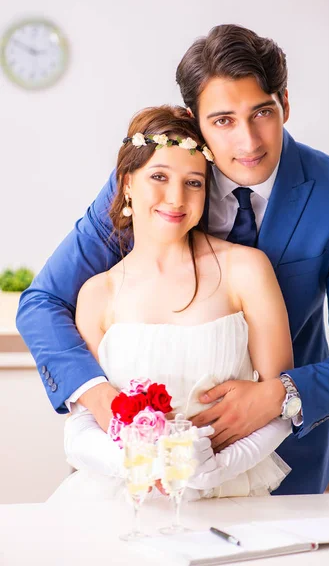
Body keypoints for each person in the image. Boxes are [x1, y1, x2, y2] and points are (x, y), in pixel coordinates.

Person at [17, 24, 329, 496]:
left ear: (286, 105)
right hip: (140, 466)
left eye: (262, 113)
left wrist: (278, 397)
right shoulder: (151, 185)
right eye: (222, 121)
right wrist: (107, 404)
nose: (248, 142)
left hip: (279, 463)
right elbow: (43, 302)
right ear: (195, 120)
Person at [48, 105, 293, 502]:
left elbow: (278, 403)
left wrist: (214, 470)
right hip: (121, 496)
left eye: (193, 182)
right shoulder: (97, 294)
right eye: (159, 177)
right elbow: (80, 428)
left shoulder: (245, 270)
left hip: (227, 492)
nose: (176, 198)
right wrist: (139, 463)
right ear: (127, 184)